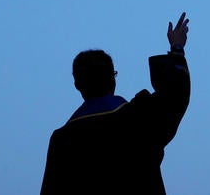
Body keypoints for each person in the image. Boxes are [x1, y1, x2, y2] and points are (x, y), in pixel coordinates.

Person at [40, 12, 191, 195]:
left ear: (77, 85)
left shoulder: (62, 141)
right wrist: (177, 48)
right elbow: (175, 95)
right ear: (113, 79)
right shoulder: (137, 119)